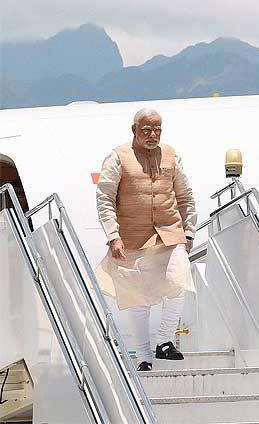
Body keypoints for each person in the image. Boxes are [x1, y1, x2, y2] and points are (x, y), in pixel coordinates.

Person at [94, 108, 197, 371]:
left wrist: (189, 232)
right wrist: (112, 236)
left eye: (157, 130)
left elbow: (185, 197)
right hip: (132, 237)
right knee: (138, 297)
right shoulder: (118, 157)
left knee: (180, 280)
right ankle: (143, 355)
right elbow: (105, 198)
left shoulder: (172, 156)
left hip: (169, 233)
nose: (153, 135)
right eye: (147, 130)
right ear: (134, 130)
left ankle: (164, 340)